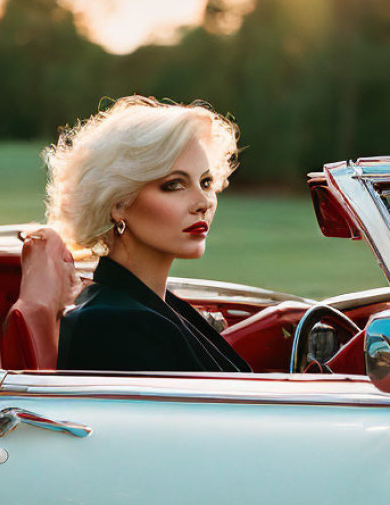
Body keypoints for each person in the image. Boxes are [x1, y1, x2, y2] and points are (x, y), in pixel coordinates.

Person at [45, 96, 250, 373]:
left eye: (205, 182)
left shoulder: (153, 305)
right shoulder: (117, 325)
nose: (203, 202)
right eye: (174, 185)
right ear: (118, 203)